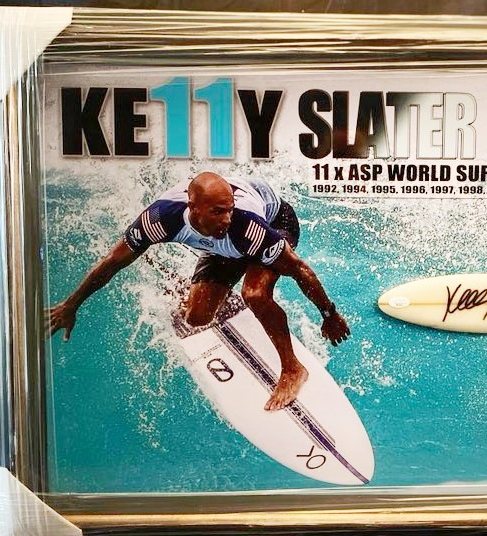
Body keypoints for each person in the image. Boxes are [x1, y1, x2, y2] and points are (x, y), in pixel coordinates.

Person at [47, 172, 350, 411]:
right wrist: (72, 305)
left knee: (255, 294)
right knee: (196, 318)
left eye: (229, 210)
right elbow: (112, 262)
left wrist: (329, 314)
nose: (226, 218)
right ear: (193, 208)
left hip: (276, 222)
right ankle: (205, 293)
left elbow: (299, 269)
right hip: (224, 245)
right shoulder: (161, 219)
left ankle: (292, 369)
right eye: (218, 212)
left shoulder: (244, 226)